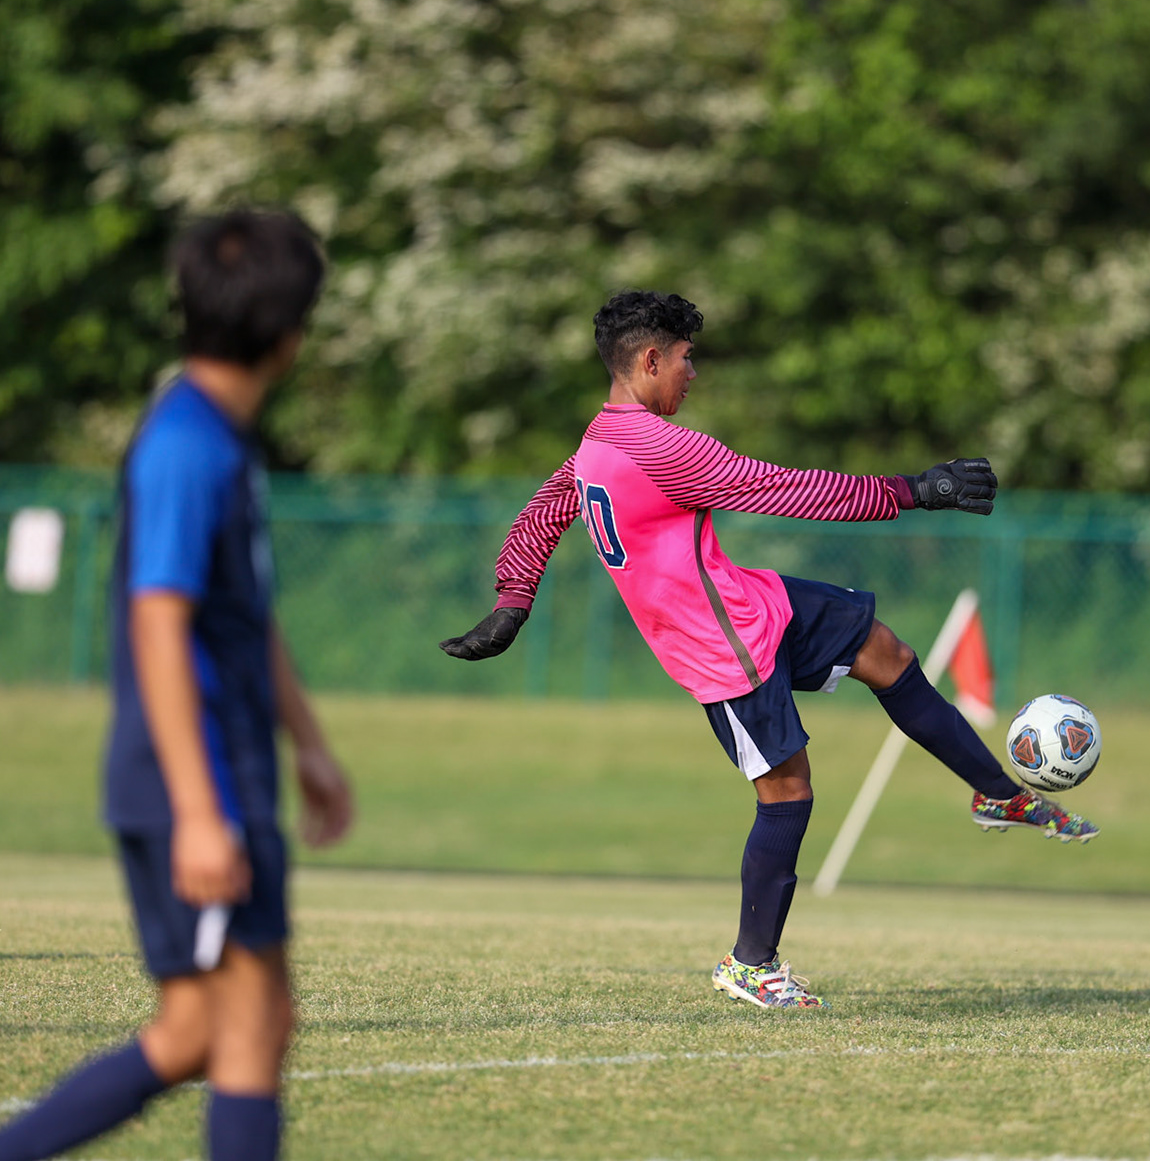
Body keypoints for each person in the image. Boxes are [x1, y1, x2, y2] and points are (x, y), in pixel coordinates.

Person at [442, 290, 1096, 1010]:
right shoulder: (662, 447)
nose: (694, 374)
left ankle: (997, 794)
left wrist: (512, 601)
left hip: (754, 605)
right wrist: (912, 490)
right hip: (721, 648)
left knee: (889, 655)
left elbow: (544, 510)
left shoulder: (598, 444)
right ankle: (750, 964)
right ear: (650, 359)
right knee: (787, 792)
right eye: (687, 360)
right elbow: (779, 488)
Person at [0, 210, 355, 1161]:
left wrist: (307, 742)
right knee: (254, 1023)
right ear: (289, 336)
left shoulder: (219, 435)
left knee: (194, 1030)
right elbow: (158, 618)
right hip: (197, 780)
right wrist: (198, 807)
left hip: (215, 775)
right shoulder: (189, 445)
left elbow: (243, 614)